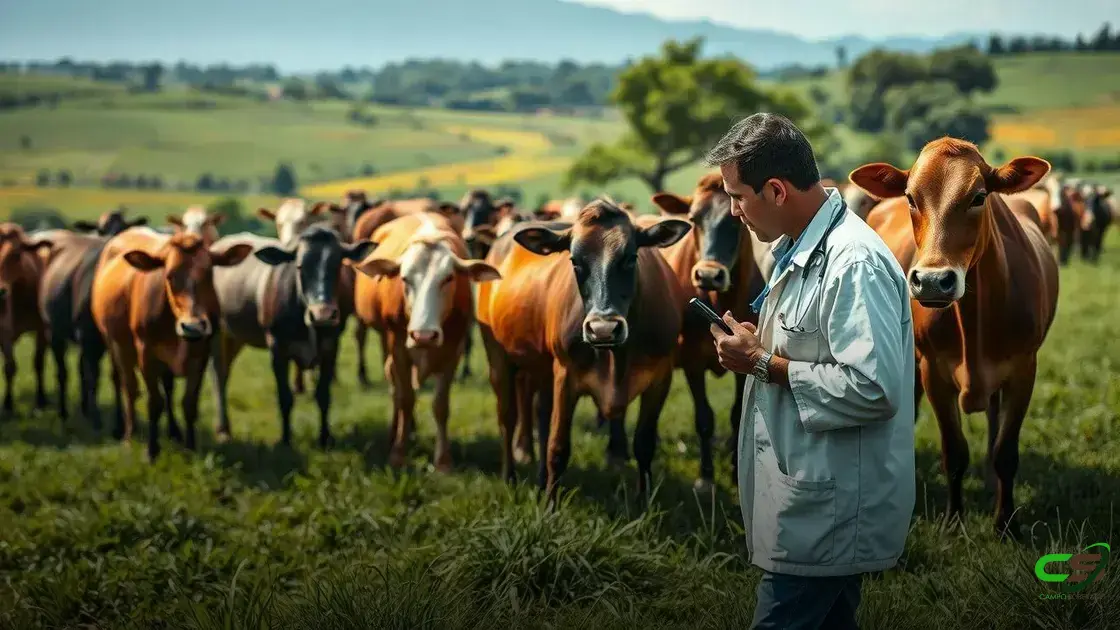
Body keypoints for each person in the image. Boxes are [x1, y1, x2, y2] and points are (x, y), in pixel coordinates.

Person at [703, 112, 916, 630]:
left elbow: (872, 388)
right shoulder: (800, 247)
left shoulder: (853, 263)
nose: (733, 211)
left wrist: (760, 362)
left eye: (738, 196)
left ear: (776, 190)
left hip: (830, 507)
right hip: (816, 495)